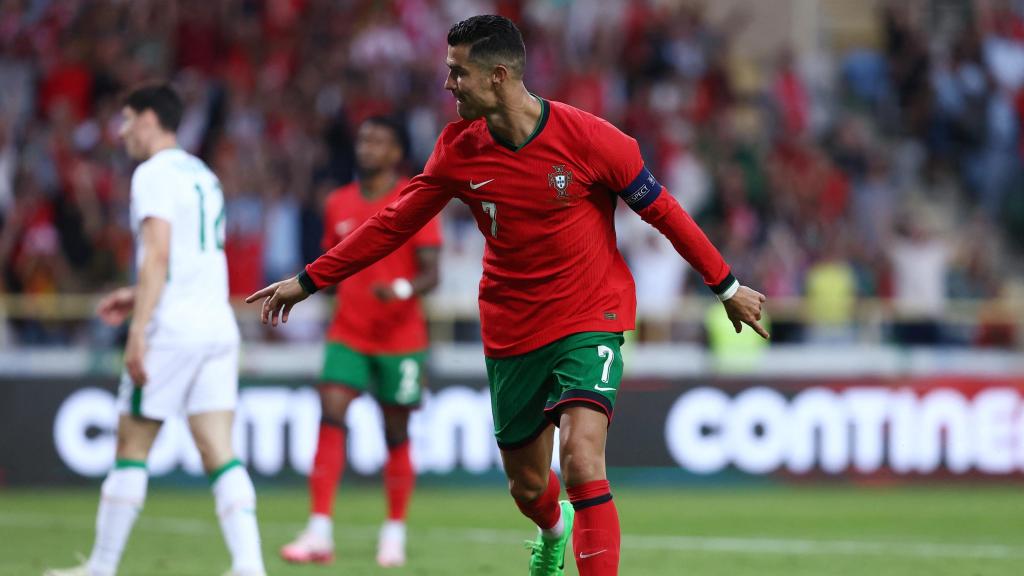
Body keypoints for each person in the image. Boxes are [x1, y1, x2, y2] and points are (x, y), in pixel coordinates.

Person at [247, 15, 768, 576]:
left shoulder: (593, 140)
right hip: (512, 328)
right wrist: (308, 280)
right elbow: (393, 222)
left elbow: (664, 212)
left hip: (590, 315)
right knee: (527, 485)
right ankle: (552, 527)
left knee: (583, 457)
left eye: (456, 73)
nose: (447, 85)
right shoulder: (458, 151)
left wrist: (727, 286)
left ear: (497, 76)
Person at [46, 84, 266, 576]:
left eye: (126, 120)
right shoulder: (201, 173)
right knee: (218, 449)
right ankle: (250, 566)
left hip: (174, 330)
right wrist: (137, 295)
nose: (122, 131)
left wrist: (139, 329)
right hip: (215, 325)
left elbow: (159, 252)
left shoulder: (152, 173)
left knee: (132, 445)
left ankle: (101, 567)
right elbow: (193, 255)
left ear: (149, 119)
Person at [279, 116, 441, 567]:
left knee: (396, 431)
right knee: (330, 412)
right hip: (348, 331)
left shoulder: (415, 197)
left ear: (396, 153)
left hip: (400, 336)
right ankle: (318, 531)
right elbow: (332, 264)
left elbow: (433, 272)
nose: (367, 147)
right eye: (364, 139)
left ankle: (393, 532)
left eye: (379, 141)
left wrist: (403, 289)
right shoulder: (338, 203)